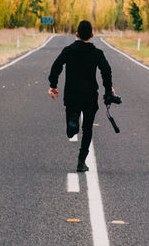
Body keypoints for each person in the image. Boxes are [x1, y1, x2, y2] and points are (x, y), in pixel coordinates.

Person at [48, 20, 113, 172]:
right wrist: (108, 90)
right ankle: (81, 162)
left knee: (72, 126)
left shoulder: (68, 50)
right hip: (90, 96)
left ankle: (73, 121)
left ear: (76, 34)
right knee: (88, 128)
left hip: (72, 95)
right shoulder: (97, 53)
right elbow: (106, 71)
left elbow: (56, 66)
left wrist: (53, 85)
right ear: (92, 35)